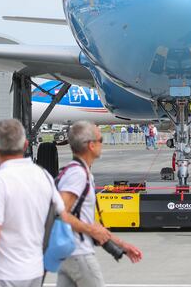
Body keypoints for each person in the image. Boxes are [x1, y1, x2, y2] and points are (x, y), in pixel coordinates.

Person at [0, 119, 68, 287]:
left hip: (6, 273)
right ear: (25, 145)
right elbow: (61, 214)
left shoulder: (0, 180)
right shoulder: (44, 176)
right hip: (34, 270)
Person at [56, 121, 142, 287]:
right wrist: (90, 230)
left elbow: (84, 219)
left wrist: (122, 245)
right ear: (91, 145)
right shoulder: (77, 174)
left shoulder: (79, 171)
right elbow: (59, 213)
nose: (102, 144)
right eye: (100, 139)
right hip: (78, 252)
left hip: (68, 253)